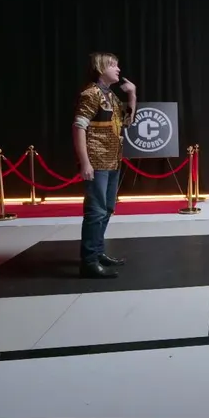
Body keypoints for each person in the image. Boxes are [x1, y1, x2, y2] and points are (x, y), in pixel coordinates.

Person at [73, 53, 136, 278]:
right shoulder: (91, 94)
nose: (118, 69)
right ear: (101, 68)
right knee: (96, 211)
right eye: (113, 65)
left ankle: (98, 252)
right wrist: (85, 162)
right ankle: (89, 261)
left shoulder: (111, 96)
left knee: (107, 208)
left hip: (112, 160)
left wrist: (132, 95)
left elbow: (127, 122)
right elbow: (79, 127)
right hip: (97, 160)